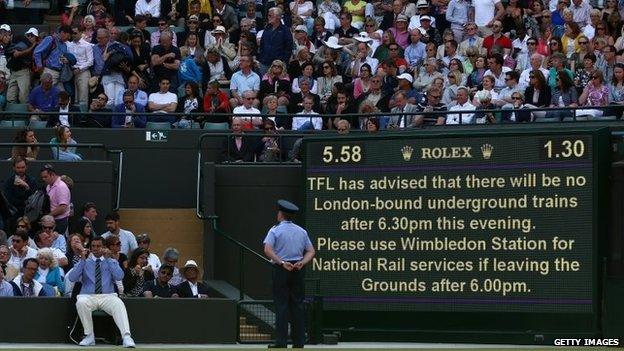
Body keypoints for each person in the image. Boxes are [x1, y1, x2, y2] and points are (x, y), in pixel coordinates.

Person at [263, 200, 316, 349]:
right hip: (297, 270)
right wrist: (302, 262)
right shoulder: (301, 231)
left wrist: (281, 262)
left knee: (282, 306)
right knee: (297, 305)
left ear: (280, 214)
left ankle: (281, 341)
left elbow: (267, 249)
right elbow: (311, 251)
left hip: (282, 270)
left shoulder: (275, 230)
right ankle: (299, 341)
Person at [67, 237, 136, 348]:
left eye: (98, 246)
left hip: (107, 296)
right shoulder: (84, 261)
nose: (95, 249)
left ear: (104, 247)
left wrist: (109, 259)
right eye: (93, 246)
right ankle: (89, 336)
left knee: (118, 303)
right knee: (81, 302)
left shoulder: (111, 261)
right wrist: (83, 260)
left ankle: (127, 337)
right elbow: (72, 278)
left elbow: (119, 276)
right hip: (88, 296)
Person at [3, 157, 37, 223]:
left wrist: (27, 187)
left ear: (26, 167)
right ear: (14, 168)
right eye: (18, 168)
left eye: (22, 167)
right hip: (14, 214)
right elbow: (9, 200)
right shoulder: (9, 181)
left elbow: (34, 200)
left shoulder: (32, 181)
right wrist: (23, 202)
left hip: (29, 214)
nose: (20, 170)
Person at [40, 164, 71, 235]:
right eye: (42, 177)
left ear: (52, 175)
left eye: (45, 177)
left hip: (59, 221)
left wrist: (48, 216)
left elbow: (63, 208)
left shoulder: (61, 187)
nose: (43, 179)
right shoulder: (49, 186)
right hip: (51, 220)